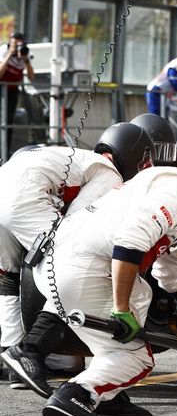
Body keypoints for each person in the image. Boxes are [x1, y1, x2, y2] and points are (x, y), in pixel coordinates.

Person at [6, 137, 177, 416]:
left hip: (57, 263)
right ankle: (76, 395)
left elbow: (174, 278)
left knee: (116, 345)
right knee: (136, 359)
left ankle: (108, 398)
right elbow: (130, 240)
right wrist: (121, 308)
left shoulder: (172, 186)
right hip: (82, 267)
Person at [0, 124, 154, 392]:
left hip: (6, 184)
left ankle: (10, 356)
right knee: (70, 264)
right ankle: (28, 351)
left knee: (9, 278)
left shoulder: (79, 157)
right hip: (24, 198)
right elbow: (80, 224)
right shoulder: (109, 174)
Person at [0, 32, 35, 156]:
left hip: (12, 92)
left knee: (8, 123)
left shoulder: (25, 53)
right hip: (1, 90)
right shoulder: (4, 51)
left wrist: (25, 60)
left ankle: (4, 153)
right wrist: (10, 54)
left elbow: (31, 77)